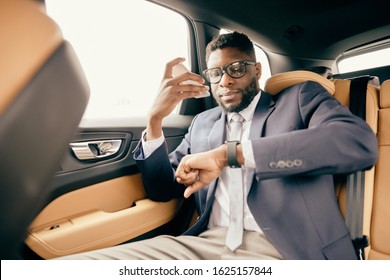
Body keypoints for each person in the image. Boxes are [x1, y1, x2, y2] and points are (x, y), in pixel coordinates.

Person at [58, 31, 378, 260]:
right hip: (205, 244)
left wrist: (230, 155)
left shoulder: (299, 98)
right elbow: (161, 190)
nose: (224, 80)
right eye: (215, 73)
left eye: (236, 69)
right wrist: (154, 120)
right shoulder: (203, 123)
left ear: (256, 70)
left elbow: (357, 143)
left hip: (287, 249)